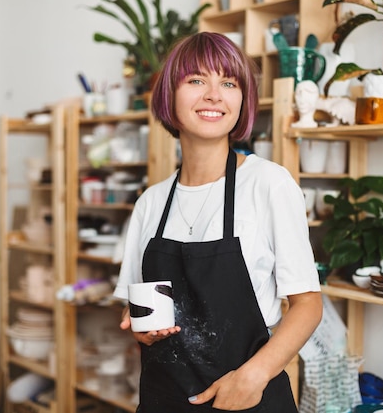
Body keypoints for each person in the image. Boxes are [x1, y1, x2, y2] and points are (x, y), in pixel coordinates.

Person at [113, 31, 323, 412]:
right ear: (169, 96)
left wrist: (253, 376)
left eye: (228, 82)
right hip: (166, 400)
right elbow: (135, 310)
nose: (214, 95)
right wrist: (142, 329)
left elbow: (307, 303)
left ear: (242, 100)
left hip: (249, 399)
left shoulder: (269, 184)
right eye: (196, 80)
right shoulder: (151, 203)